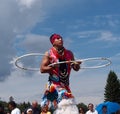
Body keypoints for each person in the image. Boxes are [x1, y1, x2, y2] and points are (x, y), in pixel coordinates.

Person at [40, 33, 81, 109]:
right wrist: (52, 67)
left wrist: (77, 64)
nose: (60, 39)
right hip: (54, 85)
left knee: (68, 106)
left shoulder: (69, 53)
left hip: (65, 84)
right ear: (53, 42)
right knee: (63, 103)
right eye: (58, 38)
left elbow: (76, 68)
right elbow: (42, 69)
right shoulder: (48, 53)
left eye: (61, 38)